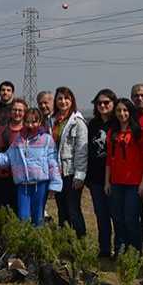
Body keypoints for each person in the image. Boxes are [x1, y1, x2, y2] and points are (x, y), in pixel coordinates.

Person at [0, 107, 62, 225]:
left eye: (34, 121)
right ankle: (24, 237)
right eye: (27, 121)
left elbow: (53, 163)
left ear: (40, 122)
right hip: (22, 186)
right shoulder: (18, 140)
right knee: (23, 218)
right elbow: (4, 160)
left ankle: (39, 237)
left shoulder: (46, 139)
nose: (30, 125)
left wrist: (55, 184)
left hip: (40, 185)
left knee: (38, 217)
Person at [105, 98, 143, 253]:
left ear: (130, 112)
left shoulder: (139, 133)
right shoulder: (112, 133)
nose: (122, 113)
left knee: (131, 218)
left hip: (134, 183)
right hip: (116, 182)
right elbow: (109, 159)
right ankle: (120, 248)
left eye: (125, 110)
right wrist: (107, 181)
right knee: (117, 217)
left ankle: (135, 251)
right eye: (118, 110)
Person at [49, 87, 88, 236]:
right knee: (62, 209)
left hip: (71, 172)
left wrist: (80, 175)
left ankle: (81, 241)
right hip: (57, 172)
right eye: (60, 98)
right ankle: (65, 241)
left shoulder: (77, 121)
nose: (63, 101)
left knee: (73, 209)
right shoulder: (52, 121)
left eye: (66, 98)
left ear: (72, 101)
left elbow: (81, 150)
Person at [87, 89, 118, 258]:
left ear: (114, 103)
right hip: (96, 177)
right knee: (101, 215)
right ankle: (104, 249)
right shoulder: (92, 124)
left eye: (107, 102)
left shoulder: (118, 123)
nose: (103, 105)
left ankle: (120, 249)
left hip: (116, 177)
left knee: (117, 215)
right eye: (99, 103)